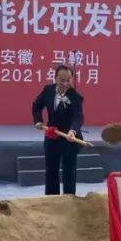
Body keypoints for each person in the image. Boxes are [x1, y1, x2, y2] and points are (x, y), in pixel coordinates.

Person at [32, 65, 85, 195]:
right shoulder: (48, 90)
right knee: (51, 170)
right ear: (55, 78)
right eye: (62, 80)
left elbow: (78, 117)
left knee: (69, 172)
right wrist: (38, 120)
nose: (65, 84)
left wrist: (73, 131)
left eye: (68, 80)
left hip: (69, 138)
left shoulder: (76, 97)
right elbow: (36, 105)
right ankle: (51, 199)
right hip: (52, 135)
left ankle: (69, 200)